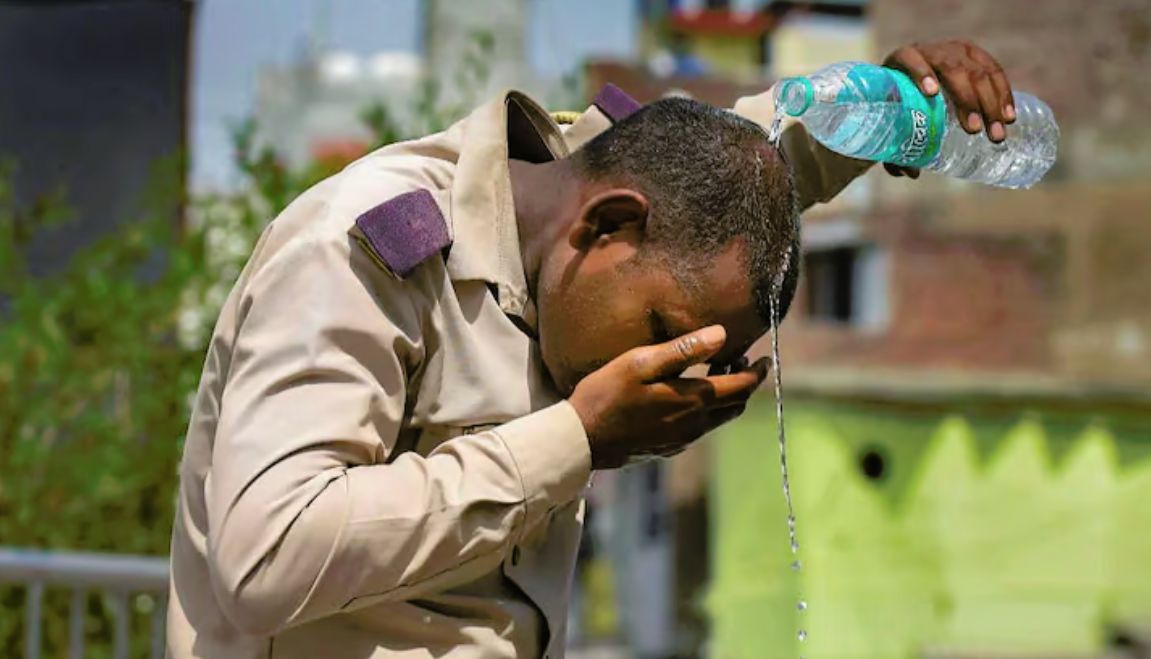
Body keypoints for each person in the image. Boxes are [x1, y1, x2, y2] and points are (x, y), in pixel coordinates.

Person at [167, 39, 1018, 658]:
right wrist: (574, 439)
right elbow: (266, 554)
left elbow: (743, 151)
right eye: (664, 331)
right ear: (607, 225)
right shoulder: (363, 251)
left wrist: (885, 98)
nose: (674, 370)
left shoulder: (597, 200)